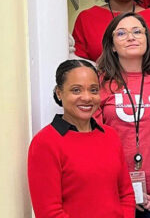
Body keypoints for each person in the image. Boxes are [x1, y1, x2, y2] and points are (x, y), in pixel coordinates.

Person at [96, 13, 150, 217]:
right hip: (114, 195)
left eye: (137, 31)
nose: (131, 37)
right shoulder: (99, 84)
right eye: (121, 33)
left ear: (147, 39)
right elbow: (94, 143)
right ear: (111, 46)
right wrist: (124, 191)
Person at [28, 60, 135, 218]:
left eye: (93, 90)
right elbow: (49, 212)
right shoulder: (45, 143)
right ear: (59, 92)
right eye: (76, 90)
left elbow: (126, 195)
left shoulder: (110, 136)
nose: (87, 98)